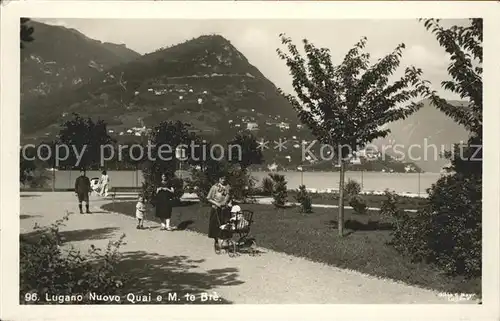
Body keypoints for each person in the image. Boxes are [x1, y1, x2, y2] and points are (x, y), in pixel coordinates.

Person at [206, 175, 231, 251]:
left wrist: (229, 202)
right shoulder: (214, 187)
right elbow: (208, 198)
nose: (223, 180)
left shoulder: (227, 187)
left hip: (225, 209)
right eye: (222, 178)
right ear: (219, 179)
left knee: (225, 225)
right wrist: (217, 204)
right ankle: (217, 241)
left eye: (224, 179)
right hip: (216, 209)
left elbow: (229, 196)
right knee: (216, 225)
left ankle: (224, 242)